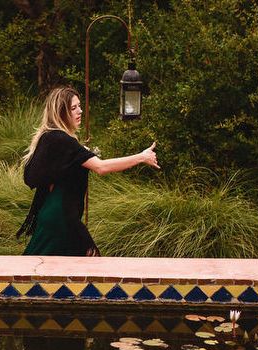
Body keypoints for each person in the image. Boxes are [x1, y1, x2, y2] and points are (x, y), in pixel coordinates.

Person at [18, 86, 159, 256]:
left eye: (79, 106)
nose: (80, 111)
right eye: (73, 108)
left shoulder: (52, 138)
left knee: (62, 270)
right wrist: (142, 157)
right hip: (60, 218)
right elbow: (101, 167)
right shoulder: (61, 140)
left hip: (59, 215)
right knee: (49, 270)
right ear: (61, 112)